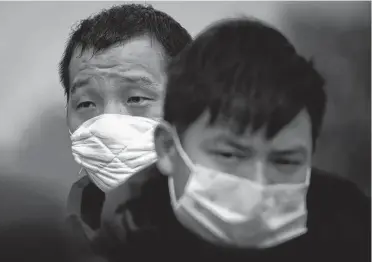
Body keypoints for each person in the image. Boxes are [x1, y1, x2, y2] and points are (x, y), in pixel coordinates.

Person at [95, 18, 371, 262]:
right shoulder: (114, 246)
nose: (259, 183)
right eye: (231, 155)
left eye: (285, 160)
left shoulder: (352, 233)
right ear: (168, 149)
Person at [58, 3, 192, 250]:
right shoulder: (45, 248)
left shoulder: (243, 242)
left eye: (136, 99)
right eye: (86, 103)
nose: (109, 122)